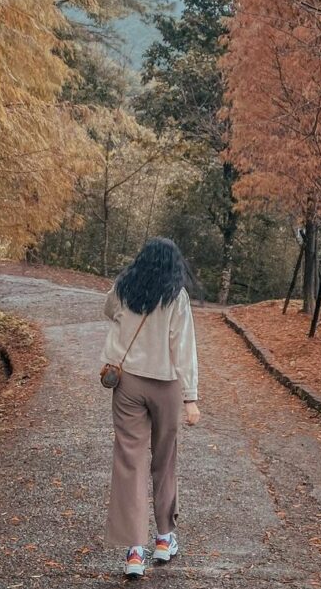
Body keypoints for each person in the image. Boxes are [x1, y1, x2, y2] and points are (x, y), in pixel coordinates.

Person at [101, 237, 200, 578]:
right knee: (164, 460)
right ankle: (163, 538)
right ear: (175, 264)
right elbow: (182, 346)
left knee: (130, 462)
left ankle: (133, 552)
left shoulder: (124, 288)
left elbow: (108, 310)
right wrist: (191, 397)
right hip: (166, 385)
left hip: (128, 383)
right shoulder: (177, 297)